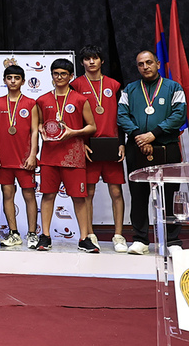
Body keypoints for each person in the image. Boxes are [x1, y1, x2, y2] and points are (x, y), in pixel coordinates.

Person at [117, 49, 186, 254]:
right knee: (138, 195)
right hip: (137, 148)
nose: (145, 67)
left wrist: (153, 135)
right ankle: (140, 240)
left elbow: (179, 115)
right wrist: (140, 136)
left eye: (149, 62)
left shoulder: (174, 87)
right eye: (141, 64)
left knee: (170, 194)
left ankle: (172, 241)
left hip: (167, 147)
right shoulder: (129, 90)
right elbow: (122, 116)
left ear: (157, 64)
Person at [34, 59, 97, 252]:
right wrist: (41, 129)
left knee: (79, 197)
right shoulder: (42, 100)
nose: (59, 77)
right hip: (49, 156)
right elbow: (39, 122)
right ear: (51, 75)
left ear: (71, 76)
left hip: (73, 156)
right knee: (48, 195)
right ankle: (45, 236)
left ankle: (84, 238)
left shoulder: (80, 99)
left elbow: (92, 127)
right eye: (56, 73)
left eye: (63, 74)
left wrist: (74, 132)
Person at [71, 45, 126, 252]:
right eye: (87, 59)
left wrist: (122, 142)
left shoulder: (114, 85)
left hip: (111, 145)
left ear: (102, 61)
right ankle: (90, 234)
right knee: (88, 192)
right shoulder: (76, 85)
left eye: (95, 58)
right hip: (89, 147)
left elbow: (122, 116)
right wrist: (81, 143)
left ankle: (118, 235)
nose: (91, 62)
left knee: (116, 191)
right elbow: (73, 117)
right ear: (82, 62)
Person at [0, 65, 40, 248]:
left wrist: (33, 154)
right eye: (9, 77)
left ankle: (32, 234)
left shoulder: (31, 103)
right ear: (4, 80)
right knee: (7, 194)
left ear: (23, 81)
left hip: (25, 158)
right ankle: (14, 233)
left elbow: (34, 131)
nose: (12, 81)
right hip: (4, 158)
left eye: (16, 78)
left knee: (29, 195)